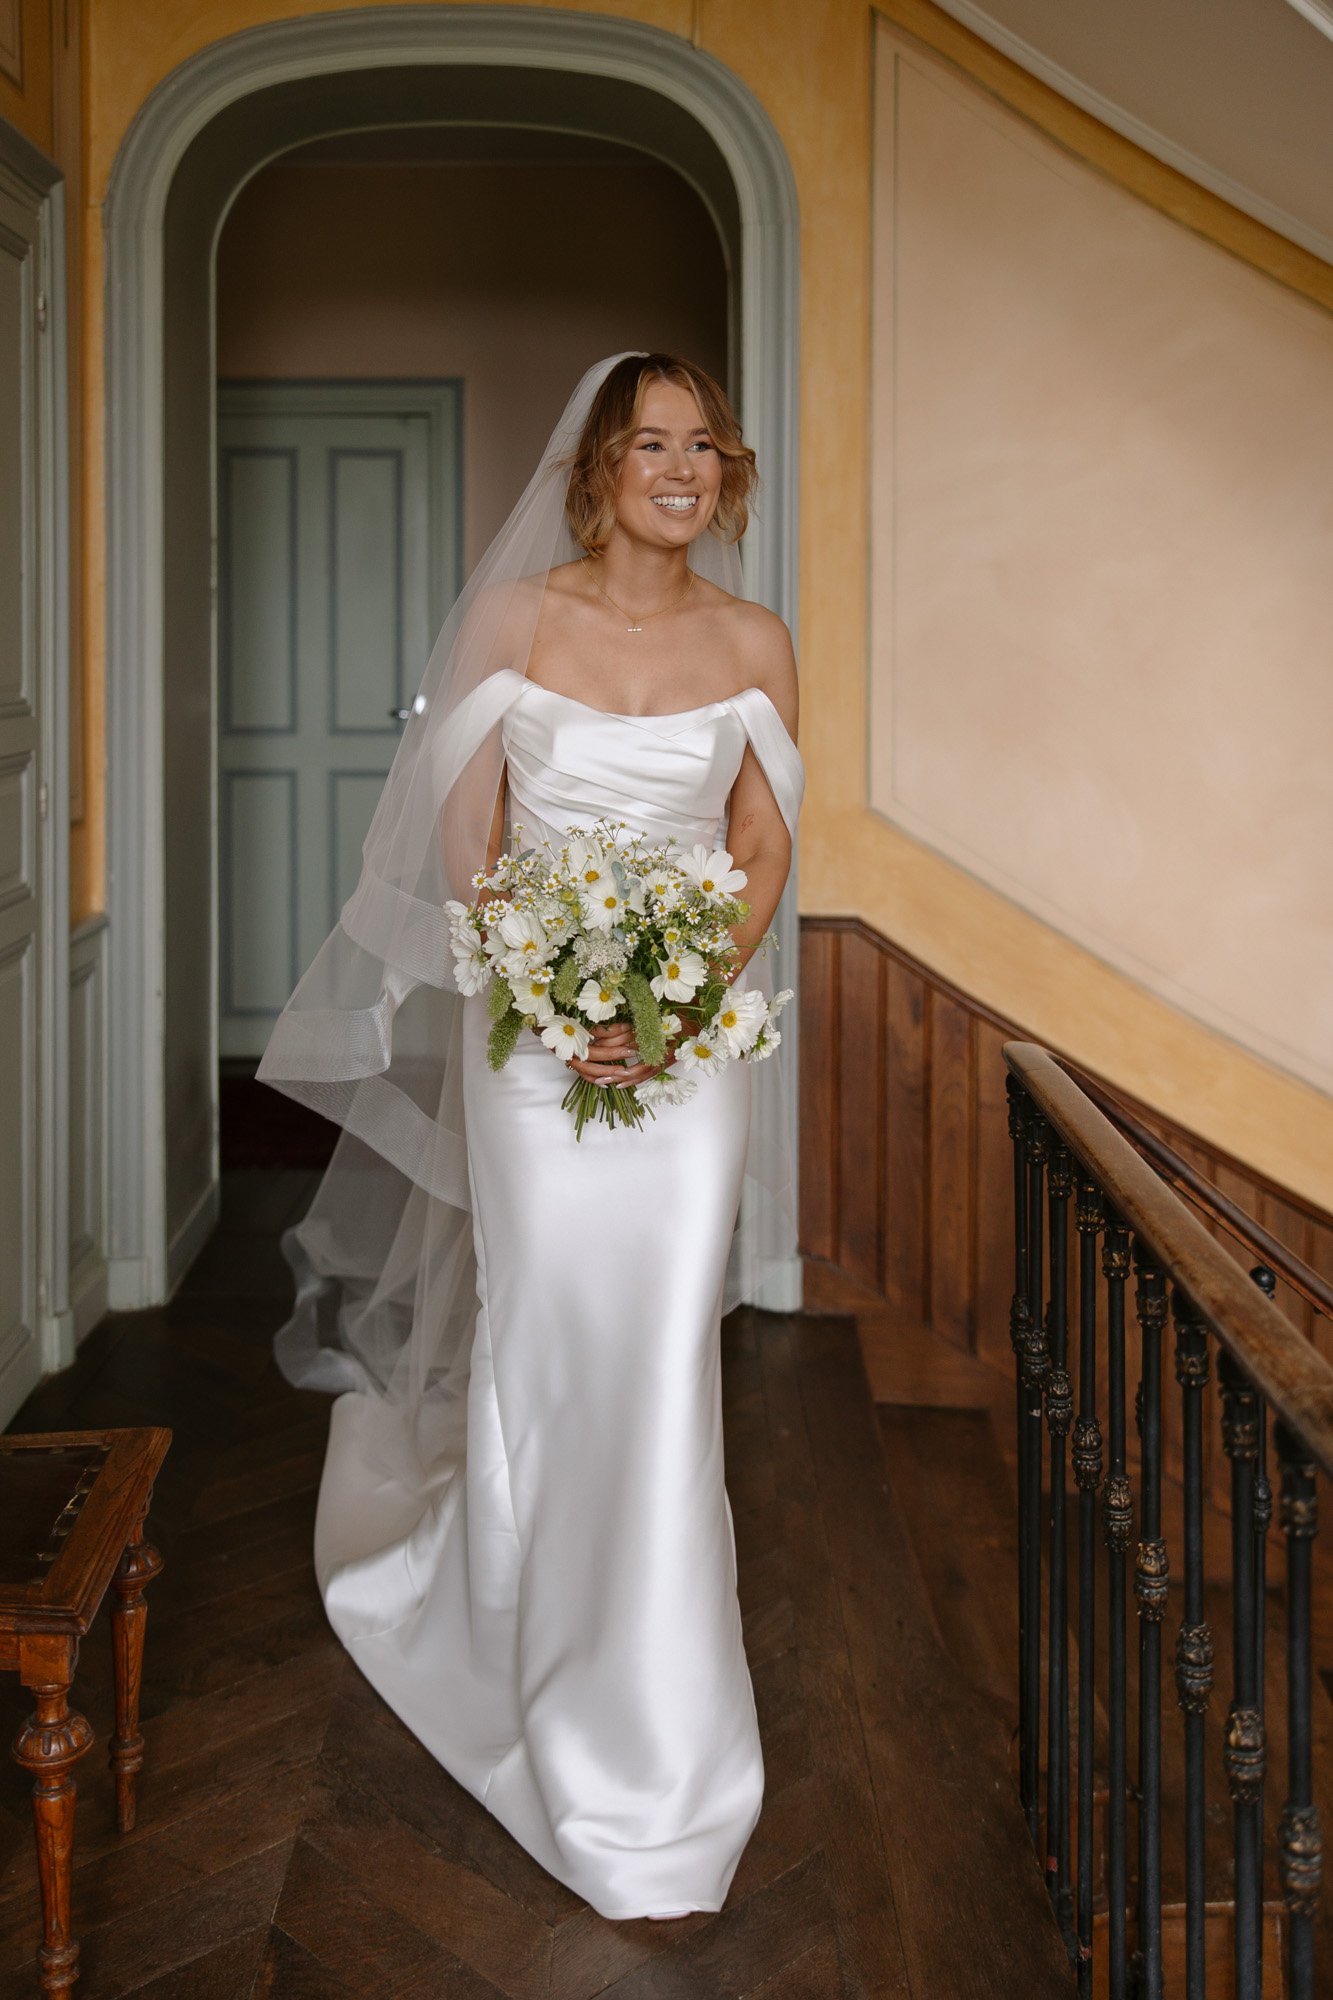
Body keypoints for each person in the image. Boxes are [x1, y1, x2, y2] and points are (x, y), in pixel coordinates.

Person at [256, 351, 804, 1923]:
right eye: (652, 443)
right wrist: (563, 992)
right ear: (598, 468)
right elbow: (468, 838)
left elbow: (762, 840)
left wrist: (686, 996)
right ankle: (510, 1630)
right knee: (549, 1333)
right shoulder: (515, 621)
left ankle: (663, 1719)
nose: (681, 469)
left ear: (726, 471)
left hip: (692, 1060)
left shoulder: (755, 638)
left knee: (656, 1359)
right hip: (533, 1041)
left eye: (704, 445)